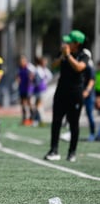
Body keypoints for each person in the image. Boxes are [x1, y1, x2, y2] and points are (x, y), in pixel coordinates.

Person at [44, 30, 89, 162]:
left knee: (74, 124)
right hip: (61, 92)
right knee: (56, 122)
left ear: (77, 43)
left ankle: (72, 152)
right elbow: (53, 66)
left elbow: (79, 68)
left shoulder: (83, 55)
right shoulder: (63, 54)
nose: (66, 43)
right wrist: (62, 57)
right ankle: (54, 150)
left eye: (69, 41)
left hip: (75, 94)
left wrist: (68, 56)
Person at [32, 56, 53, 126]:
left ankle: (41, 119)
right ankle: (37, 120)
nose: (45, 63)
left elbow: (50, 77)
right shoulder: (38, 69)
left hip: (42, 89)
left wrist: (45, 82)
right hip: (37, 89)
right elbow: (35, 79)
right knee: (37, 105)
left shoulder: (45, 70)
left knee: (38, 105)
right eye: (44, 62)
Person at [16, 55, 36, 126]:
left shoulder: (29, 67)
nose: (21, 62)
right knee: (23, 104)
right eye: (20, 61)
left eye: (22, 61)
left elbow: (33, 76)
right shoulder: (20, 68)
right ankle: (24, 119)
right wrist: (18, 80)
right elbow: (18, 76)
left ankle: (32, 119)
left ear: (25, 61)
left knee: (29, 103)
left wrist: (31, 78)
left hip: (28, 89)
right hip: (22, 88)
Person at [82, 49, 96, 141]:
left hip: (88, 95)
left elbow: (91, 80)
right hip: (80, 93)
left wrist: (87, 91)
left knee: (89, 113)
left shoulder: (89, 66)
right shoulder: (82, 65)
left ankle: (92, 133)